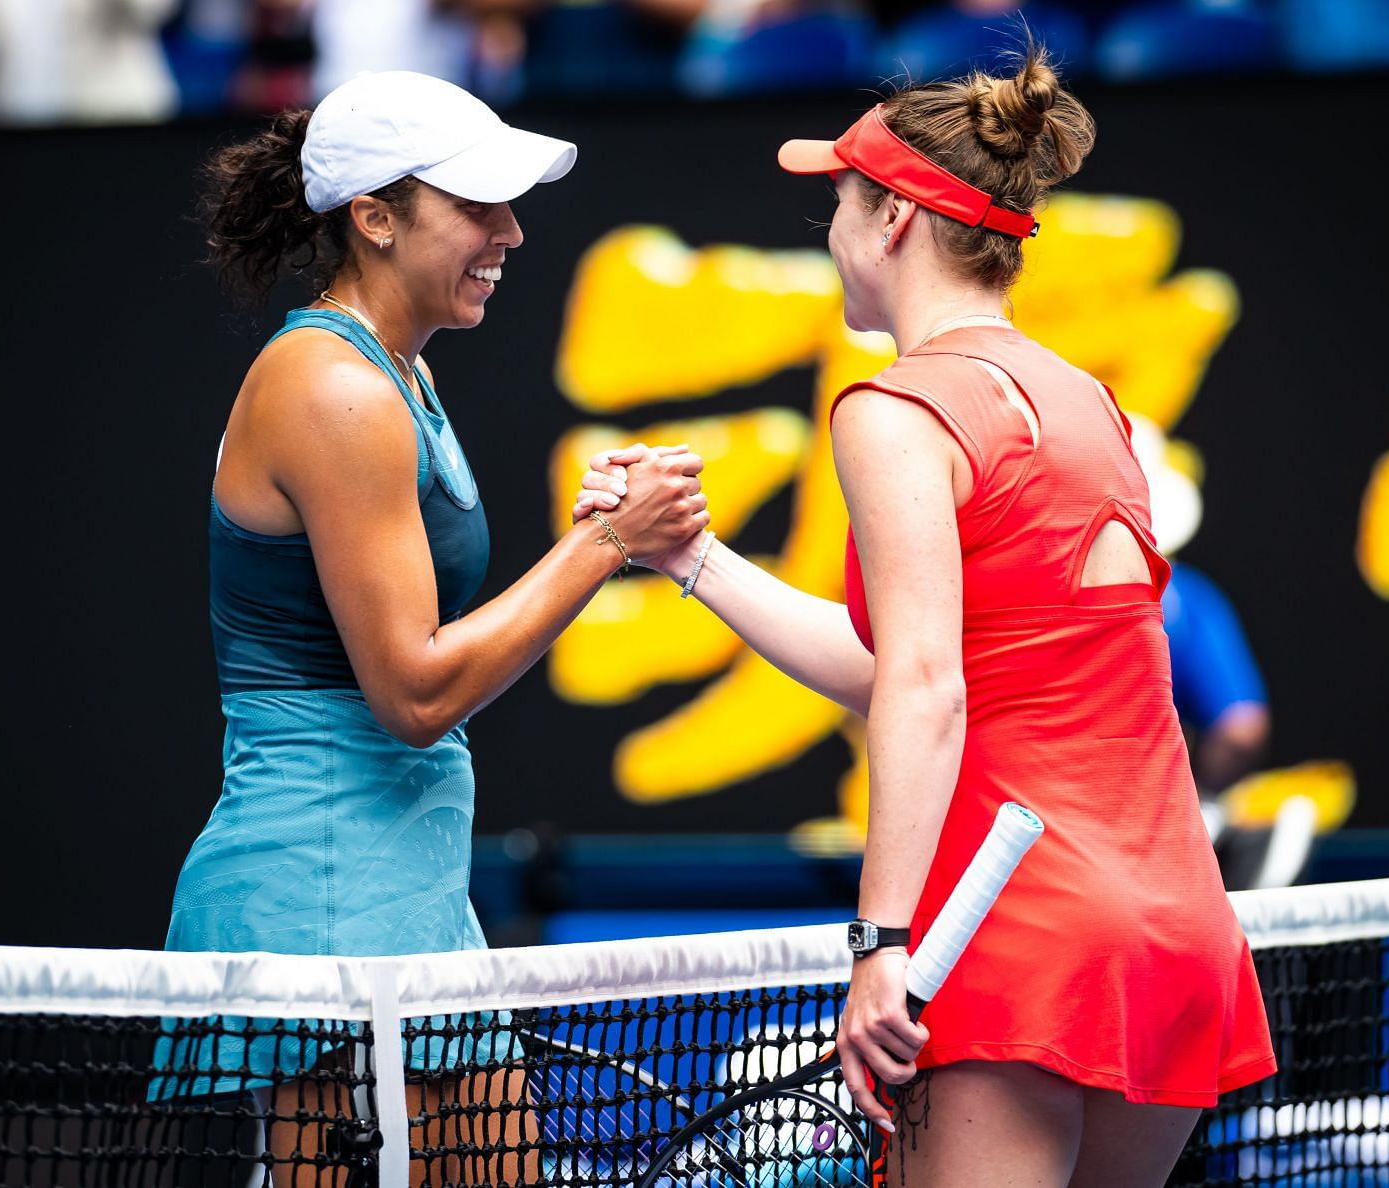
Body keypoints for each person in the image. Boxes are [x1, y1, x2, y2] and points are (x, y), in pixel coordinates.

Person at [575, 49, 1274, 1183]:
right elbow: (901, 661)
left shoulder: (895, 408)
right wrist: (691, 557)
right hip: (1174, 926)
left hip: (1022, 926)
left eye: (841, 205)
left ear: (894, 217)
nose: (832, 232)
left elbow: (922, 689)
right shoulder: (1089, 403)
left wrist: (880, 947)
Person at [161, 69, 709, 1185]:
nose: (510, 231)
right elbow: (414, 694)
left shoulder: (399, 371)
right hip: (316, 882)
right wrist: (605, 546)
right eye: (476, 206)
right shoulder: (335, 389)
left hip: (408, 879)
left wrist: (597, 529)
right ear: (373, 217)